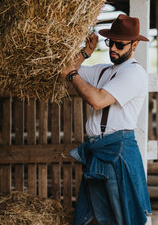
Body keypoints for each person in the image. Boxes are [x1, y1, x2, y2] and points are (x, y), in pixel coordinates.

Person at [61, 14, 152, 225]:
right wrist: (85, 53)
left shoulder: (134, 73)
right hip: (97, 151)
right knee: (104, 219)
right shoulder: (104, 70)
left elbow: (97, 100)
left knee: (124, 217)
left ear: (134, 45)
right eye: (111, 42)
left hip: (117, 151)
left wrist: (72, 75)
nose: (113, 48)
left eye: (120, 45)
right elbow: (67, 69)